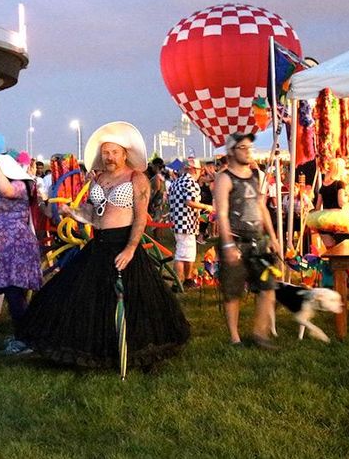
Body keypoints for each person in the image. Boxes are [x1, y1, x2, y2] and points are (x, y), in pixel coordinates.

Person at [18, 122, 190, 370]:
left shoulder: (137, 178)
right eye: (106, 152)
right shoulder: (98, 178)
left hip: (124, 244)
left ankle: (135, 350)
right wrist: (72, 211)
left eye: (114, 152)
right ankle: (92, 348)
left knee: (134, 302)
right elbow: (93, 214)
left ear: (125, 154)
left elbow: (140, 218)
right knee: (80, 295)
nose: (109, 157)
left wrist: (130, 249)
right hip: (99, 244)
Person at [214, 132, 281, 349]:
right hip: (236, 241)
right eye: (242, 148)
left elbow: (262, 207)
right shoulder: (224, 178)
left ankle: (259, 334)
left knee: (267, 287)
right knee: (233, 292)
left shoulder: (255, 176)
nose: (248, 152)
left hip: (257, 240)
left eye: (249, 148)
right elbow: (221, 213)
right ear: (231, 151)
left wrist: (272, 237)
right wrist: (228, 245)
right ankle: (235, 338)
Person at [0, 146, 42, 355]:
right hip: (4, 246)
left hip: (15, 246)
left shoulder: (20, 184)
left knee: (15, 291)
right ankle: (21, 334)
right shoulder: (3, 185)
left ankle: (25, 339)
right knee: (12, 292)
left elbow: (7, 191)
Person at [168, 157, 213, 289]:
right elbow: (190, 202)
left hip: (177, 221)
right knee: (184, 254)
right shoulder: (191, 182)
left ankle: (186, 280)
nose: (200, 173)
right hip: (186, 223)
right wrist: (206, 207)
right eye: (199, 170)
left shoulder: (177, 182)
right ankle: (180, 283)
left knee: (184, 252)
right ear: (193, 169)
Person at [313, 158, 348, 249]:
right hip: (338, 219)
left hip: (324, 219)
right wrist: (347, 198)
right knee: (341, 250)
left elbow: (317, 206)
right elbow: (341, 203)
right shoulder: (340, 184)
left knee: (330, 250)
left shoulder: (323, 186)